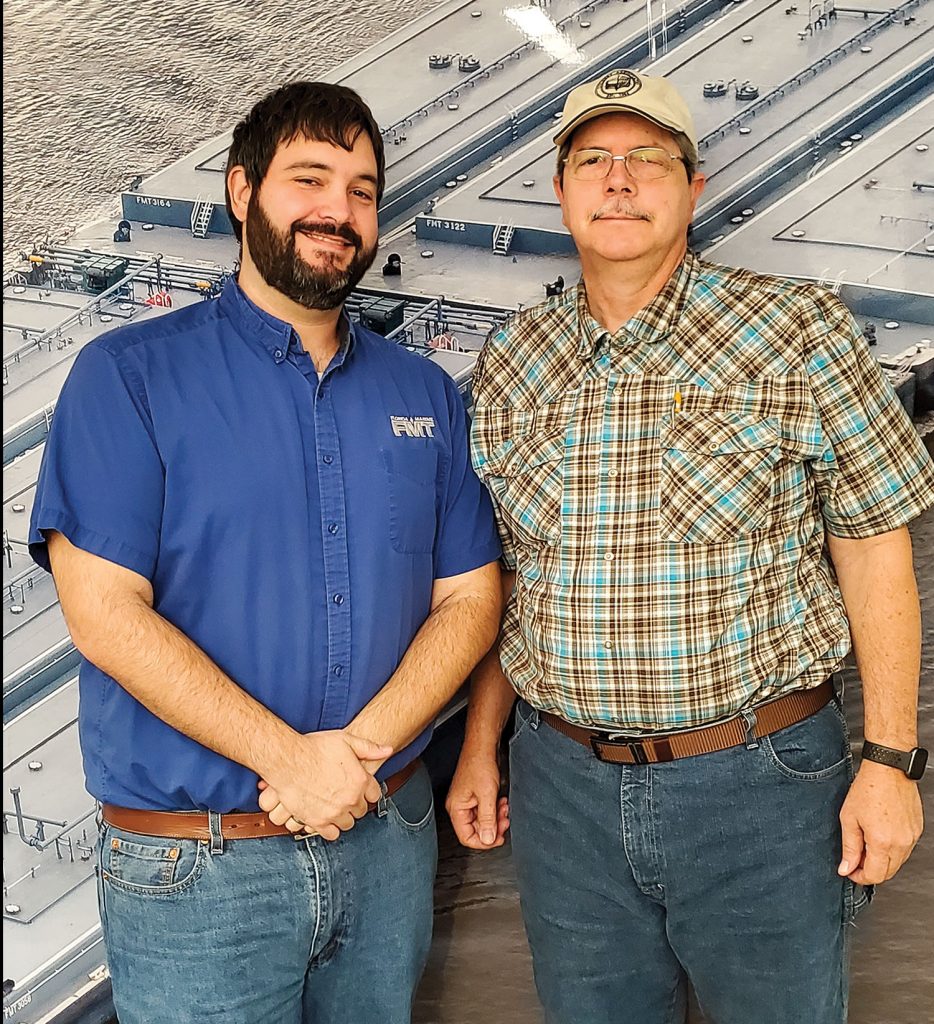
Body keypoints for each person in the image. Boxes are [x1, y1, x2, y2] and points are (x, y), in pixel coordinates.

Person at [447, 68, 932, 1023]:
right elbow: (507, 578)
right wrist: (478, 746)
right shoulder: (514, 358)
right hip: (562, 793)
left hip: (760, 787)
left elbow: (876, 547)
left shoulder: (796, 330)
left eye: (647, 160)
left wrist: (891, 761)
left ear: (693, 187)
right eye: (593, 160)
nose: (618, 181)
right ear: (560, 188)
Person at [29, 80, 502, 1024]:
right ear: (243, 192)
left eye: (363, 190)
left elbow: (472, 600)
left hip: (383, 840)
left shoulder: (425, 392)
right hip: (199, 871)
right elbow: (104, 614)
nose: (339, 210)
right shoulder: (128, 377)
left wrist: (347, 764)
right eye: (311, 178)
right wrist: (290, 760)